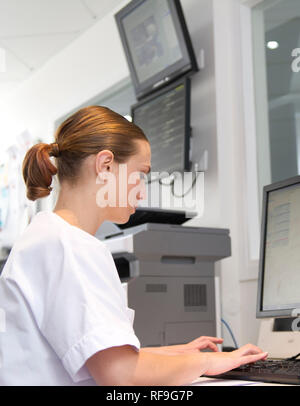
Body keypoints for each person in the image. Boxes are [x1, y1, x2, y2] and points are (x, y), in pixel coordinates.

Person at [0, 106, 268, 386]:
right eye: (140, 174)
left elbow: (101, 357)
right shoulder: (71, 246)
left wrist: (177, 353)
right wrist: (209, 361)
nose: (141, 190)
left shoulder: (46, 236)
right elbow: (120, 373)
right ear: (104, 166)